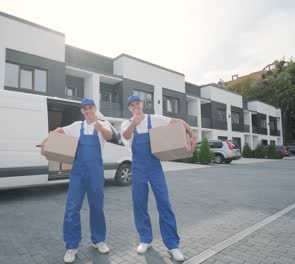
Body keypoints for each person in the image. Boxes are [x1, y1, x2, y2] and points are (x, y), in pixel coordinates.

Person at [121, 95, 196, 262]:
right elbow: (126, 137)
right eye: (132, 105)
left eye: (138, 103)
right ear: (129, 108)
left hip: (154, 167)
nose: (136, 107)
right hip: (138, 167)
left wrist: (192, 135)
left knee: (164, 202)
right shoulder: (126, 123)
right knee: (139, 204)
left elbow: (177, 122)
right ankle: (145, 240)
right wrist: (134, 122)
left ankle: (173, 245)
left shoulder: (153, 119)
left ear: (142, 104)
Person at [42, 98, 112, 263]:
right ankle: (72, 246)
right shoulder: (76, 126)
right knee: (72, 208)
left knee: (97, 206)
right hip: (78, 173)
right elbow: (59, 131)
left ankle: (98, 240)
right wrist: (46, 142)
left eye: (90, 108)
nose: (88, 111)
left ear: (95, 108)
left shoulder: (104, 124)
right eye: (85, 109)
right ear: (82, 111)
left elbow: (108, 136)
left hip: (95, 172)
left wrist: (100, 127)